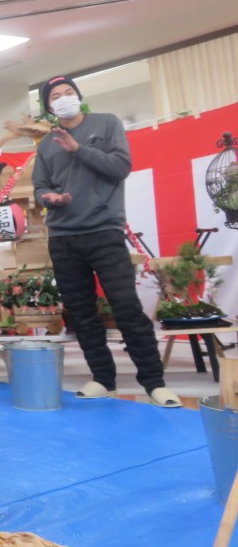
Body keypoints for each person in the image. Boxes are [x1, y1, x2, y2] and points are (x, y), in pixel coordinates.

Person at [32, 75, 181, 408]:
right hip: (63, 237)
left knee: (126, 306)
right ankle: (103, 379)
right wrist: (50, 197)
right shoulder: (44, 145)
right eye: (56, 95)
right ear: (49, 106)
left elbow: (121, 167)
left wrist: (77, 149)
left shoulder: (107, 123)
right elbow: (39, 187)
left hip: (104, 231)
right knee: (81, 313)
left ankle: (154, 383)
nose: (64, 98)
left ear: (79, 96)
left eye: (69, 92)